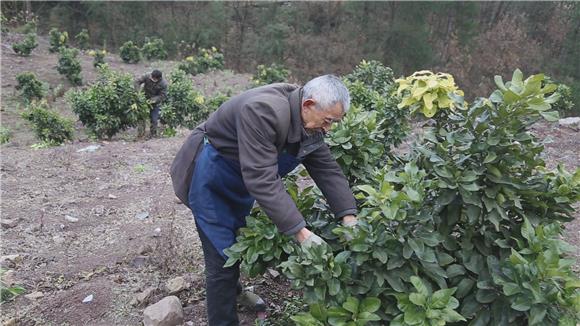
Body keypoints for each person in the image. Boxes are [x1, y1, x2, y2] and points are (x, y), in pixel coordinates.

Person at [170, 75, 358, 325]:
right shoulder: (263, 111)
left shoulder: (308, 123)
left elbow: (327, 170)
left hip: (240, 180)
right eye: (328, 121)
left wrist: (349, 217)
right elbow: (261, 178)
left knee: (234, 240)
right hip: (212, 176)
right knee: (221, 257)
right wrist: (302, 234)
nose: (328, 129)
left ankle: (235, 293)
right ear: (308, 103)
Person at [134, 69, 168, 137]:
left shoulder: (163, 84)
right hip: (143, 99)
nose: (151, 79)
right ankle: (140, 134)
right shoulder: (147, 75)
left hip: (155, 103)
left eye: (154, 79)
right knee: (141, 117)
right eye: (151, 77)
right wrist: (138, 93)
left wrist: (153, 100)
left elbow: (162, 96)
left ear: (159, 79)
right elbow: (137, 81)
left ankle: (153, 135)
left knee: (154, 120)